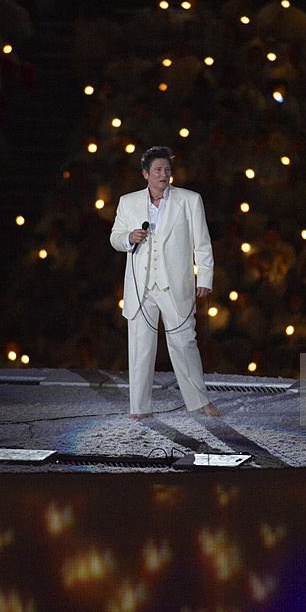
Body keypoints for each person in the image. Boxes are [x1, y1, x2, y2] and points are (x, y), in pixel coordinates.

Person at [109, 146, 221, 419]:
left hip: (174, 284)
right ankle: (139, 408)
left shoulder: (189, 200)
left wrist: (204, 277)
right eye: (158, 170)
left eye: (167, 170)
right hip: (141, 287)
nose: (164, 174)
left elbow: (202, 243)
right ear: (146, 173)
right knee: (140, 346)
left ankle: (199, 401)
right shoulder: (128, 201)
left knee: (184, 343)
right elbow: (115, 237)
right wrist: (128, 238)